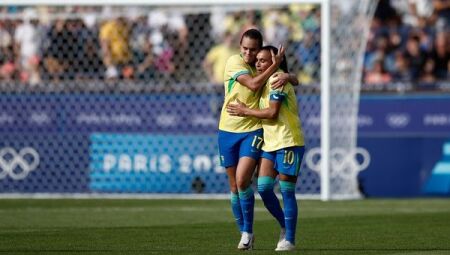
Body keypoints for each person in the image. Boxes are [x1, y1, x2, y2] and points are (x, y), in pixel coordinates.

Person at [218, 28, 298, 250]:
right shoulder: (235, 62)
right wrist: (278, 66)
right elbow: (253, 84)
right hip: (227, 129)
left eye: (253, 50)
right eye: (245, 48)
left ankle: (259, 232)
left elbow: (287, 81)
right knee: (235, 186)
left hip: (253, 130)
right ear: (239, 47)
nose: (248, 54)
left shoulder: (267, 72)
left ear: (260, 49)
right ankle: (247, 233)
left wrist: (284, 71)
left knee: (244, 180)